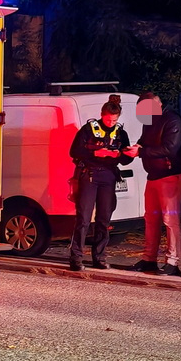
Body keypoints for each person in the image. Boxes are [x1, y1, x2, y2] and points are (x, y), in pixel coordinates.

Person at [67, 99, 135, 271]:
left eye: (114, 120)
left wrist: (118, 155)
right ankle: (76, 258)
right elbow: (74, 151)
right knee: (83, 218)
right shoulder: (89, 129)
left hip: (109, 176)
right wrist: (95, 152)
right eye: (108, 120)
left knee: (104, 219)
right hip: (89, 174)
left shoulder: (120, 133)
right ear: (101, 115)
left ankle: (100, 257)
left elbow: (127, 159)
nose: (111, 123)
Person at [133, 94, 181, 275]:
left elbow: (170, 148)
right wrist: (133, 149)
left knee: (170, 219)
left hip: (170, 174)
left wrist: (140, 152)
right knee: (151, 218)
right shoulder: (149, 122)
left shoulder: (172, 120)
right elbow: (144, 142)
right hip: (154, 175)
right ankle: (149, 258)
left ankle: (173, 261)